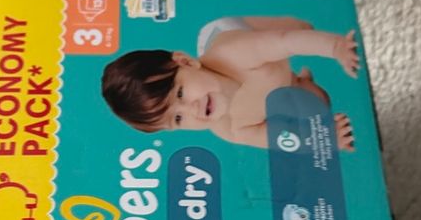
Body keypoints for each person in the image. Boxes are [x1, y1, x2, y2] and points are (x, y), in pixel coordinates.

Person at [101, 16, 358, 150]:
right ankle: (299, 80)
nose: (191, 110)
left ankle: (299, 61)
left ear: (186, 62)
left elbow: (286, 41)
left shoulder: (235, 53)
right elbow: (280, 138)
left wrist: (335, 47)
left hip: (236, 31)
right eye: (178, 119)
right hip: (277, 82)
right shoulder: (229, 128)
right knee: (318, 105)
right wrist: (323, 140)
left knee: (300, 28)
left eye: (180, 94)